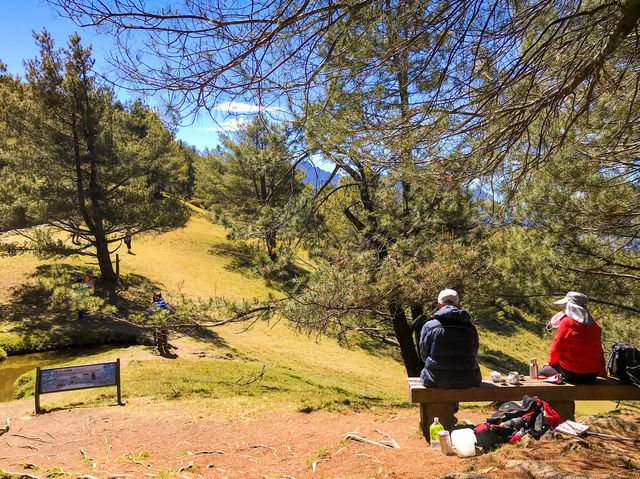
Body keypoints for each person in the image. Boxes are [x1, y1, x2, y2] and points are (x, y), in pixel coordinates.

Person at [418, 289, 482, 389]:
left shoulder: (429, 326)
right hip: (468, 379)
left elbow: (423, 355)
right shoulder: (470, 327)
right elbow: (474, 352)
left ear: (439, 305)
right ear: (458, 304)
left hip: (434, 380)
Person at [539, 291, 607, 384]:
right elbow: (599, 351)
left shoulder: (567, 323)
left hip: (572, 373)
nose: (564, 308)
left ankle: (556, 398)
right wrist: (603, 373)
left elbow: (556, 348)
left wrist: (550, 364)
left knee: (539, 373)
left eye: (565, 305)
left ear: (570, 306)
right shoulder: (596, 326)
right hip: (592, 375)